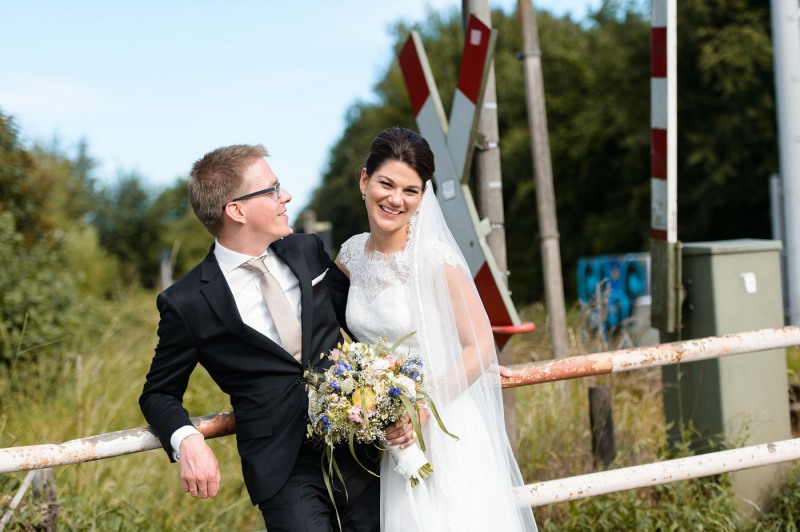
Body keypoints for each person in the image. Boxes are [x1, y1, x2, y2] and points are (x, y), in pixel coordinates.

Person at [139, 144, 380, 531]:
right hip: (282, 468)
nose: (286, 196)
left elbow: (363, 323)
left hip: (358, 444)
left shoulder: (308, 250)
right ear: (237, 210)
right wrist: (187, 439)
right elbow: (158, 393)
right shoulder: (186, 301)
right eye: (272, 189)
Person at [335, 127, 538, 531]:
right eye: (386, 184)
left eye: (411, 190)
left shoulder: (433, 258)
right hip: (389, 428)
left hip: (443, 423)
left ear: (423, 197)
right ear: (364, 181)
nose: (396, 199)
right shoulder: (351, 254)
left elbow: (479, 345)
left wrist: (423, 406)